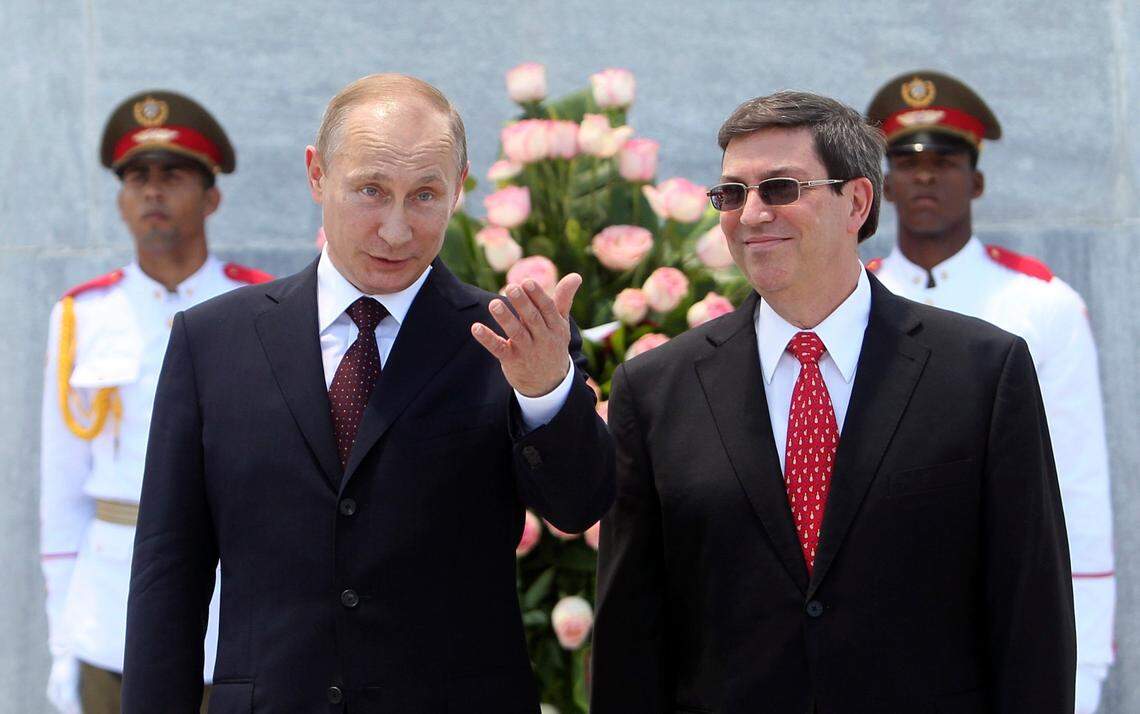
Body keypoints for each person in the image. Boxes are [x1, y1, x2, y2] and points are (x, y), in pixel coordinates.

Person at [120, 73, 614, 712]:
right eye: (371, 191)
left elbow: (579, 507)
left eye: (426, 195)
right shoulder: (213, 341)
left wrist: (547, 392)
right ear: (317, 175)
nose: (397, 230)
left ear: (461, 188)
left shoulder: (515, 340)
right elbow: (169, 573)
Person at [591, 90, 1075, 713]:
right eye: (732, 194)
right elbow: (632, 630)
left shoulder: (982, 372)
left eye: (781, 188)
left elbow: (1030, 614)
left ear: (857, 202)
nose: (752, 214)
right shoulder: (655, 389)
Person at [865, 70, 1115, 714]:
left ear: (976, 181)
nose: (926, 177)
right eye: (909, 162)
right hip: (864, 622)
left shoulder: (1042, 305)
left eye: (946, 162)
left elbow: (1077, 483)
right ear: (883, 186)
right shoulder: (844, 302)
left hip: (1000, 613)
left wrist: (1082, 661)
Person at [39, 90, 272, 714]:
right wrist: (64, 639)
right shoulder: (80, 318)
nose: (152, 191)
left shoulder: (262, 311)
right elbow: (60, 493)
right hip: (109, 613)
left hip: (233, 614)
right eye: (137, 177)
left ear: (212, 196)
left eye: (172, 175)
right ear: (119, 199)